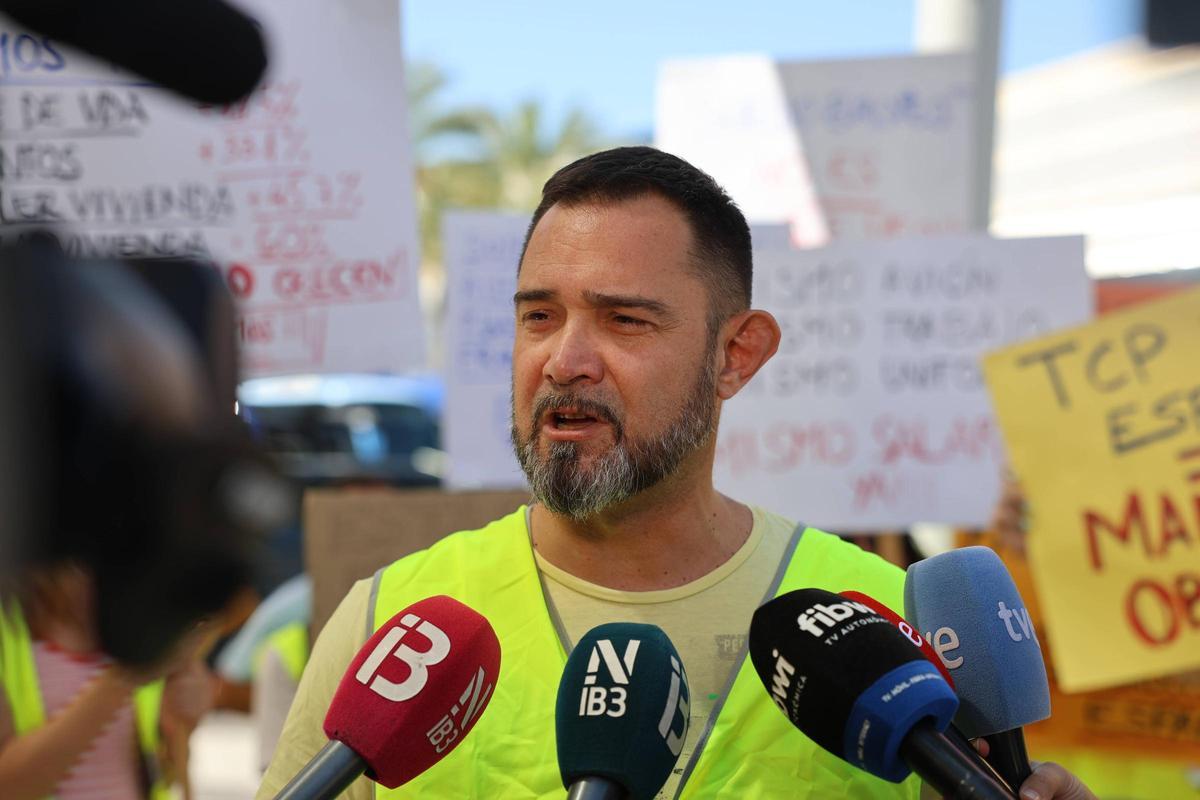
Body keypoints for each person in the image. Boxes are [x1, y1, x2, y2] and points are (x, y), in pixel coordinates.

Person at [258, 147, 1094, 799]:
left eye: (625, 320)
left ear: (737, 355)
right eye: (539, 316)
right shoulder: (394, 629)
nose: (565, 360)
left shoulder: (884, 634)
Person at [0, 563, 215, 800]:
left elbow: (158, 772)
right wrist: (125, 677)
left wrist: (182, 724)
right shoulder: (8, 616)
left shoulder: (133, 604)